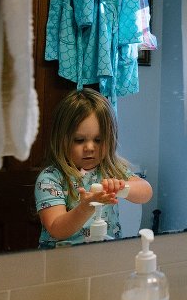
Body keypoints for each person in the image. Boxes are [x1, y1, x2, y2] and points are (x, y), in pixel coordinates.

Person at [35, 88, 153, 248]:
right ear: (61, 139)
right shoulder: (51, 178)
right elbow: (57, 229)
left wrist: (121, 187)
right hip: (62, 264)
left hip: (104, 257)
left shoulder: (110, 170)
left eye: (98, 140)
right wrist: (85, 207)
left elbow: (145, 192)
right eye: (79, 140)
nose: (90, 147)